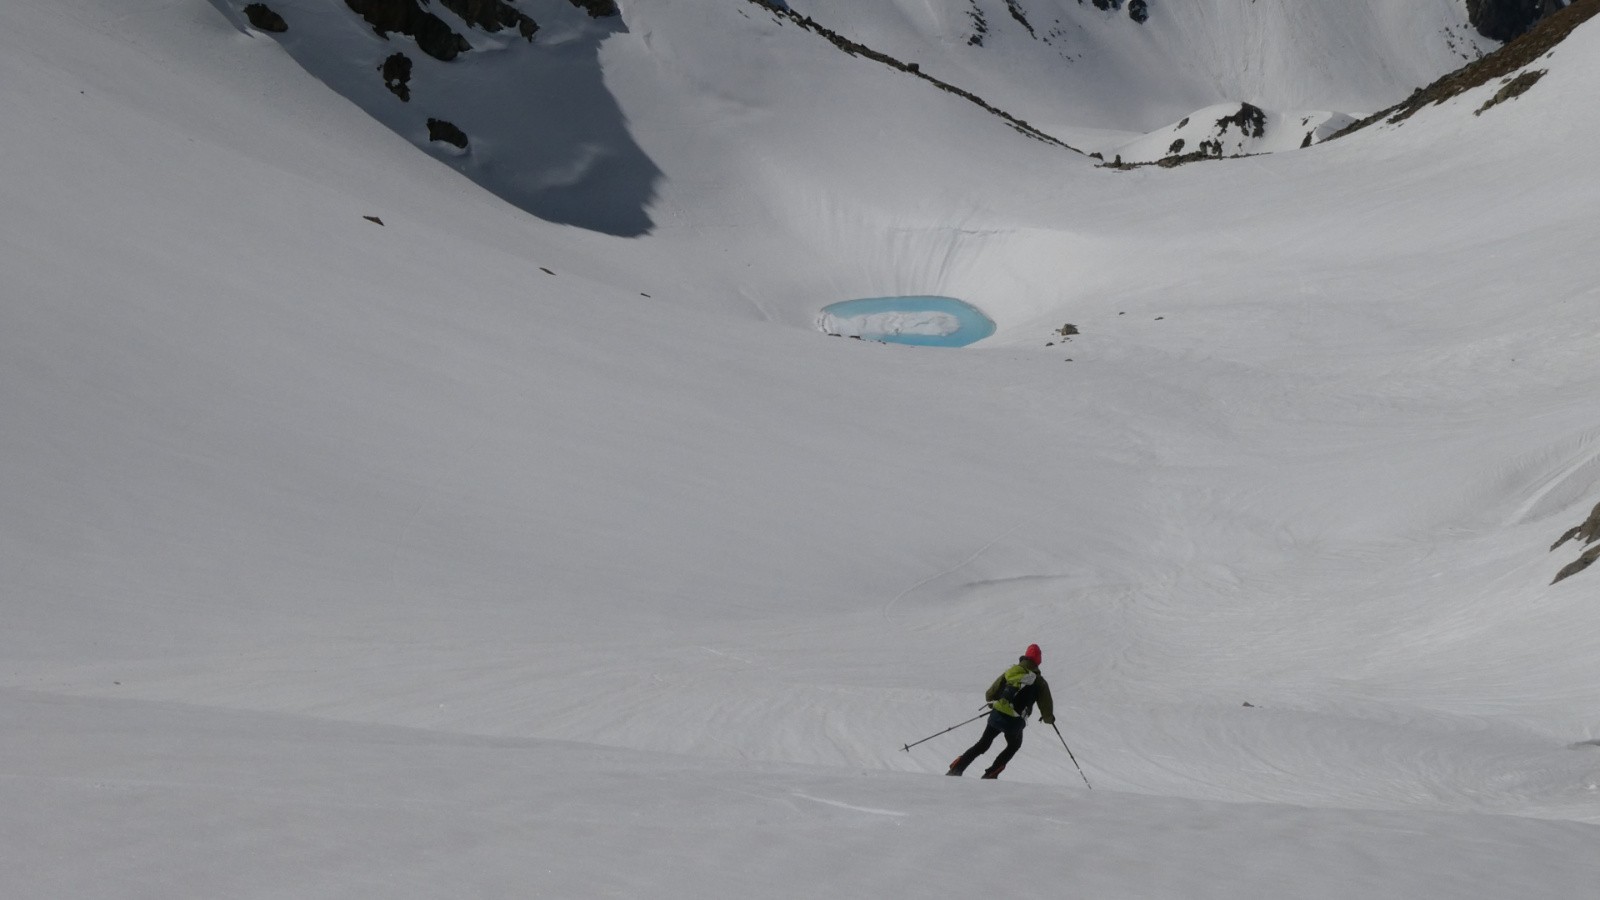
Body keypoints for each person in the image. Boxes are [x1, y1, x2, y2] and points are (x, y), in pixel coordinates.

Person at [947, 643, 1054, 779]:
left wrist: (995, 705)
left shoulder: (1011, 672)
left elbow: (990, 694)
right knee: (1014, 745)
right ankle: (990, 774)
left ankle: (957, 768)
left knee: (983, 744)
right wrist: (1049, 719)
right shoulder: (1039, 682)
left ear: (1025, 656)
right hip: (1015, 722)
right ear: (1039, 660)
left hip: (997, 715)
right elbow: (1046, 708)